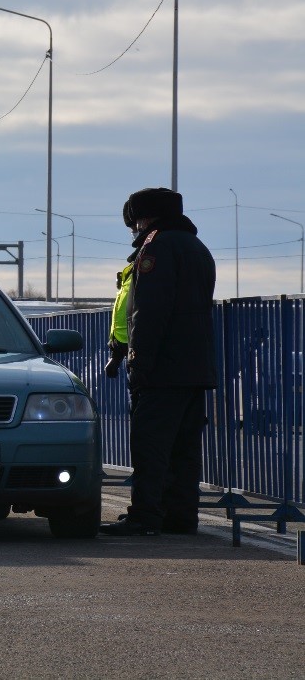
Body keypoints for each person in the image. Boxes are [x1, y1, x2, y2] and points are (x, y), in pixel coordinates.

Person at [100, 187, 217, 537]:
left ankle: (145, 516)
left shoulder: (157, 249)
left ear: (144, 219)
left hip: (162, 367)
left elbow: (149, 311)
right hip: (195, 365)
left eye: (134, 223)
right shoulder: (197, 247)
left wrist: (139, 360)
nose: (133, 230)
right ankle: (180, 516)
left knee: (150, 444)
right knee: (184, 447)